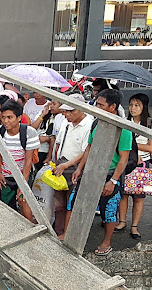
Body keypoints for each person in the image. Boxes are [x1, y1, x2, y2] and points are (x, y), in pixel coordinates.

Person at [69, 89, 133, 256]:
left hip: (111, 174)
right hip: (91, 172)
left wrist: (113, 181)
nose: (96, 107)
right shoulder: (96, 123)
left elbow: (123, 159)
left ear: (113, 107)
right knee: (76, 203)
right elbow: (89, 148)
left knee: (109, 211)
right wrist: (80, 169)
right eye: (96, 104)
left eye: (101, 105)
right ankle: (73, 237)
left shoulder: (124, 129)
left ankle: (107, 241)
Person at [116, 94, 152, 239]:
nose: (133, 108)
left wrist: (132, 146)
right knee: (124, 194)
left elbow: (151, 147)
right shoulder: (125, 121)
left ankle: (134, 226)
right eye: (131, 104)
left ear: (144, 107)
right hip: (126, 162)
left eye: (137, 105)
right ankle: (122, 221)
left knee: (138, 197)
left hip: (142, 163)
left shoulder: (151, 123)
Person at [52, 94, 94, 238]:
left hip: (75, 168)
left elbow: (85, 151)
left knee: (72, 204)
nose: (67, 115)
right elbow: (58, 143)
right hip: (60, 166)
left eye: (72, 111)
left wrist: (67, 165)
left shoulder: (88, 125)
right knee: (58, 204)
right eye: (66, 111)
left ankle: (68, 234)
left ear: (82, 109)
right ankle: (58, 231)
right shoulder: (66, 122)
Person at [0, 100, 40, 221]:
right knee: (7, 203)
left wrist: (23, 184)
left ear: (19, 117)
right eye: (3, 117)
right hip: (6, 175)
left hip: (23, 174)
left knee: (23, 200)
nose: (5, 121)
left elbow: (28, 161)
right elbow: (0, 155)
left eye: (10, 117)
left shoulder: (29, 133)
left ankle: (31, 228)